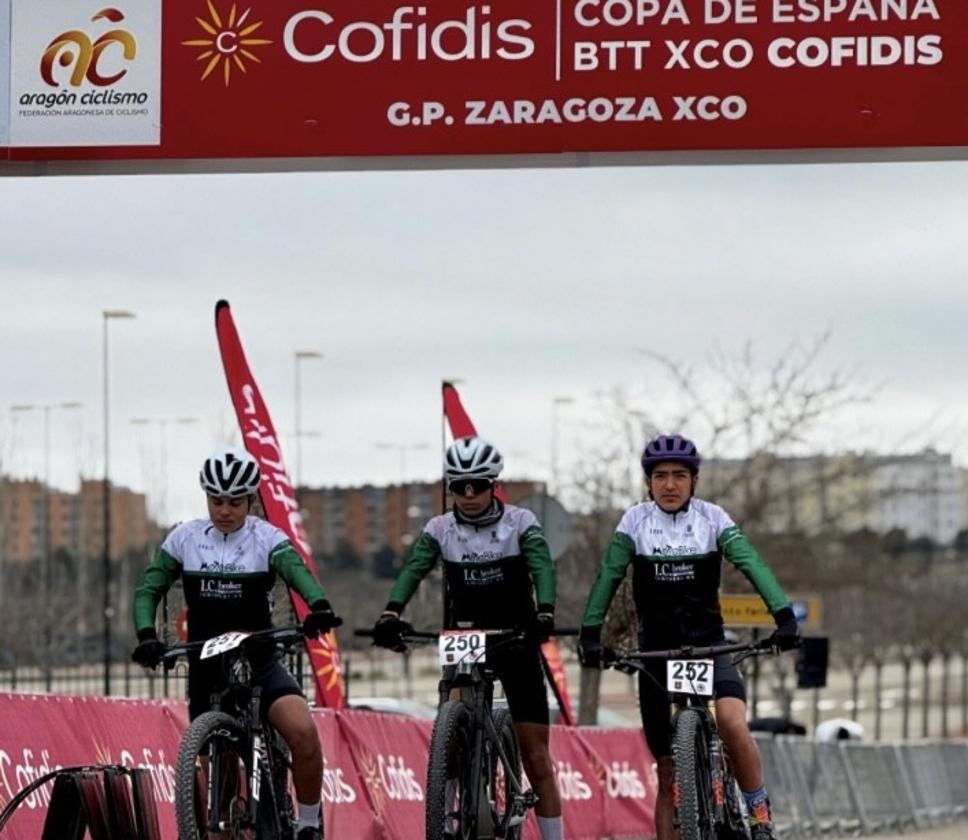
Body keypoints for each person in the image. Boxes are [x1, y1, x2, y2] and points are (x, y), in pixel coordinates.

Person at [578, 434, 799, 840]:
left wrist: (782, 614)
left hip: (710, 647)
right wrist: (590, 631)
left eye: (680, 475)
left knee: (732, 723)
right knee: (667, 771)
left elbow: (752, 564)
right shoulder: (634, 522)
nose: (669, 484)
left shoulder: (713, 518)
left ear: (694, 480)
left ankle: (759, 815)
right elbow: (608, 575)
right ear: (648, 482)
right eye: (660, 476)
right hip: (657, 655)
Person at [131, 445, 341, 840]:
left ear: (249, 499)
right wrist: (146, 635)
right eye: (216, 501)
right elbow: (148, 590)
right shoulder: (185, 538)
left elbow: (297, 572)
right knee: (218, 802)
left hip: (260, 662)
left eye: (234, 501)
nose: (225, 510)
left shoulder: (266, 538)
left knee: (303, 733)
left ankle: (310, 822)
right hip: (207, 670)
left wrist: (319, 606)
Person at [370, 436, 565, 840]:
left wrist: (545, 610)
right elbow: (413, 569)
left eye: (477, 484)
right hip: (467, 636)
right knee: (451, 727)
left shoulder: (520, 522)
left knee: (536, 755)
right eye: (459, 486)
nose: (469, 494)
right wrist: (391, 612)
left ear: (494, 485)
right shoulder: (440, 529)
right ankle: (447, 806)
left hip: (516, 635)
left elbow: (543, 567)